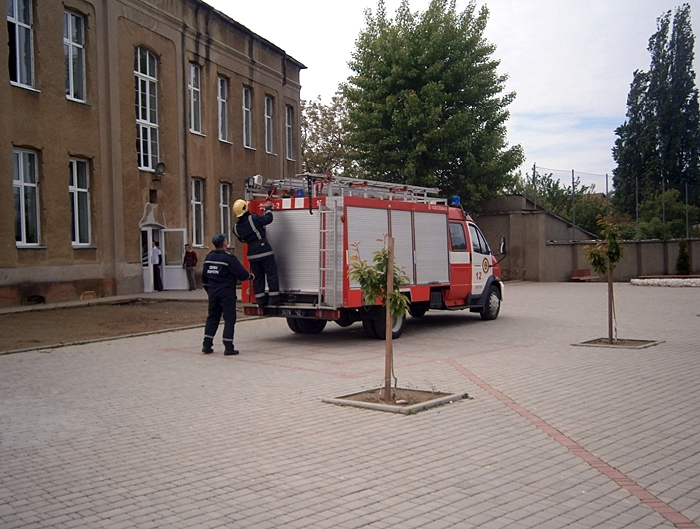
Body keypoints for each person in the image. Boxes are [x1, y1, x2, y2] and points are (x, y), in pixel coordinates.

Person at [201, 233, 254, 355]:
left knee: (212, 318)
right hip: (226, 293)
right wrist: (251, 276)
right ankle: (228, 347)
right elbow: (241, 274)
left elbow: (204, 278)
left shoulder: (209, 257)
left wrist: (209, 290)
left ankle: (206, 345)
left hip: (213, 292)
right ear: (224, 243)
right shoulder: (229, 258)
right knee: (229, 319)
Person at [233, 198, 280, 306]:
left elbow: (242, 239)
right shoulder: (253, 218)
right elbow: (268, 219)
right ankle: (274, 299)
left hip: (252, 254)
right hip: (264, 250)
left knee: (258, 277)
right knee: (271, 274)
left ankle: (260, 300)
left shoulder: (235, 228)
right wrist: (268, 207)